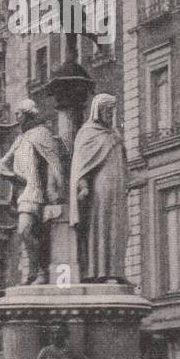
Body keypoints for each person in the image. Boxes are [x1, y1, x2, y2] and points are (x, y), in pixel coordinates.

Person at [0, 99, 66, 284]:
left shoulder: (41, 133)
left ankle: (40, 271)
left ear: (27, 114)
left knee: (27, 230)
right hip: (23, 192)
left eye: (19, 113)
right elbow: (2, 162)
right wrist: (9, 175)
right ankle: (36, 271)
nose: (16, 117)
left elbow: (53, 162)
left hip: (38, 190)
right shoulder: (21, 138)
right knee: (26, 231)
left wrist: (56, 189)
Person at [69, 93, 128, 282]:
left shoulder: (115, 134)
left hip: (118, 188)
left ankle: (116, 271)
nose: (111, 115)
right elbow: (80, 164)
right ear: (98, 111)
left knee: (118, 228)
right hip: (100, 188)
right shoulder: (87, 133)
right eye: (107, 111)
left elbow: (123, 161)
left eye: (112, 111)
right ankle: (98, 272)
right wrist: (83, 185)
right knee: (101, 228)